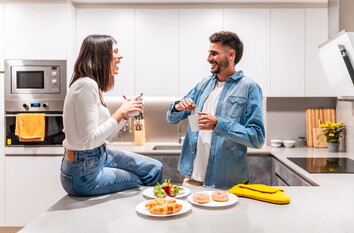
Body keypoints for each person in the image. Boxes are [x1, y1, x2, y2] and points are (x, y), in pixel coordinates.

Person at [60, 35, 163, 196]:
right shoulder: (86, 85)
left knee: (155, 168)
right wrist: (120, 112)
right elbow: (89, 141)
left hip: (97, 157)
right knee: (143, 180)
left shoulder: (93, 85)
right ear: (101, 56)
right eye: (115, 51)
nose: (120, 56)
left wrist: (125, 115)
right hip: (83, 173)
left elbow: (103, 136)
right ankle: (151, 214)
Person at [167, 31, 265, 188]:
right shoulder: (204, 84)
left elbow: (257, 138)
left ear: (231, 55)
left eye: (214, 53)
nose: (208, 59)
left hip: (227, 182)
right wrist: (178, 107)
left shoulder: (249, 88)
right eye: (209, 53)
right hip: (193, 178)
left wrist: (219, 125)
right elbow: (172, 118)